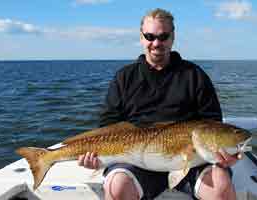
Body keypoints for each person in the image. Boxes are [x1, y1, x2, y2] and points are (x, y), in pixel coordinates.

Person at [78, 8, 241, 200]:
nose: (156, 43)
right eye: (150, 36)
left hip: (192, 161)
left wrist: (223, 155)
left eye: (163, 37)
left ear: (173, 38)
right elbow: (108, 125)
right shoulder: (124, 77)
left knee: (221, 187)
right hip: (136, 161)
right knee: (117, 188)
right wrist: (96, 157)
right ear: (141, 38)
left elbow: (213, 124)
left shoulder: (194, 75)